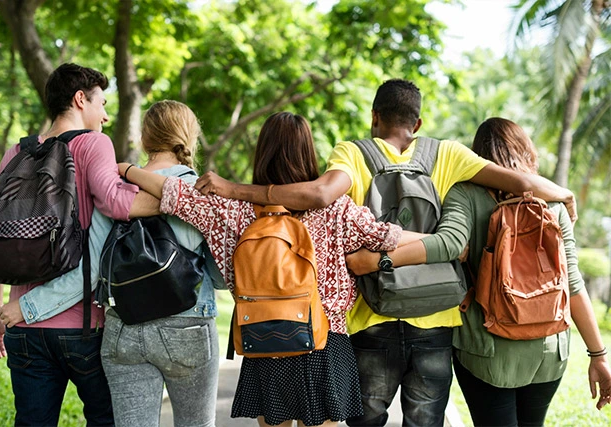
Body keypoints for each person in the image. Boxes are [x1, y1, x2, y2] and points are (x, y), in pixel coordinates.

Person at [192, 79, 578, 426]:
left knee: (367, 420)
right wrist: (563, 192)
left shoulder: (353, 153)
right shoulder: (449, 154)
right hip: (435, 317)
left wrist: (236, 188)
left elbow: (321, 195)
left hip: (372, 314)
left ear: (374, 117)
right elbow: (524, 181)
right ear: (418, 123)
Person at [119, 111, 404, 427]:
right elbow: (388, 237)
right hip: (325, 342)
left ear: (262, 152)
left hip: (266, 338)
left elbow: (175, 194)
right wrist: (443, 242)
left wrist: (128, 170)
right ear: (309, 152)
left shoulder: (234, 209)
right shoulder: (337, 208)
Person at [346, 117, 611, 426]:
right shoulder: (553, 203)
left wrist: (379, 261)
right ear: (527, 151)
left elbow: (448, 244)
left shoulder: (466, 194)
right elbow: (573, 285)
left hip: (485, 351)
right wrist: (598, 355)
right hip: (548, 350)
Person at [0, 63, 156, 426]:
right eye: (102, 104)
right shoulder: (94, 143)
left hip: (24, 329)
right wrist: (181, 199)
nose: (106, 116)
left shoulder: (16, 153)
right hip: (82, 327)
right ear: (80, 99)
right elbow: (118, 204)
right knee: (106, 419)